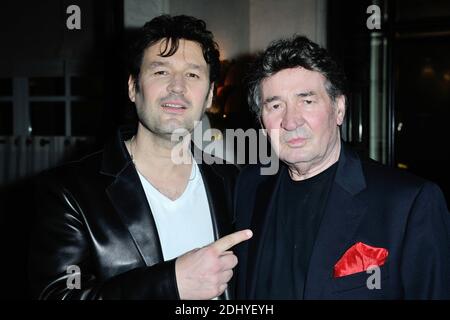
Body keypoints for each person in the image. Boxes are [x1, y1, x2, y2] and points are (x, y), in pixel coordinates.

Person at [28, 15, 252, 300]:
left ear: (209, 96)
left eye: (192, 75)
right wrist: (170, 284)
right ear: (133, 87)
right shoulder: (69, 192)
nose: (177, 87)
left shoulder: (234, 182)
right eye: (161, 72)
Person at [235, 35, 450, 299]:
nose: (290, 121)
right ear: (261, 120)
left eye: (307, 100)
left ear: (339, 108)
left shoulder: (409, 203)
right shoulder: (249, 186)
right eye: (276, 105)